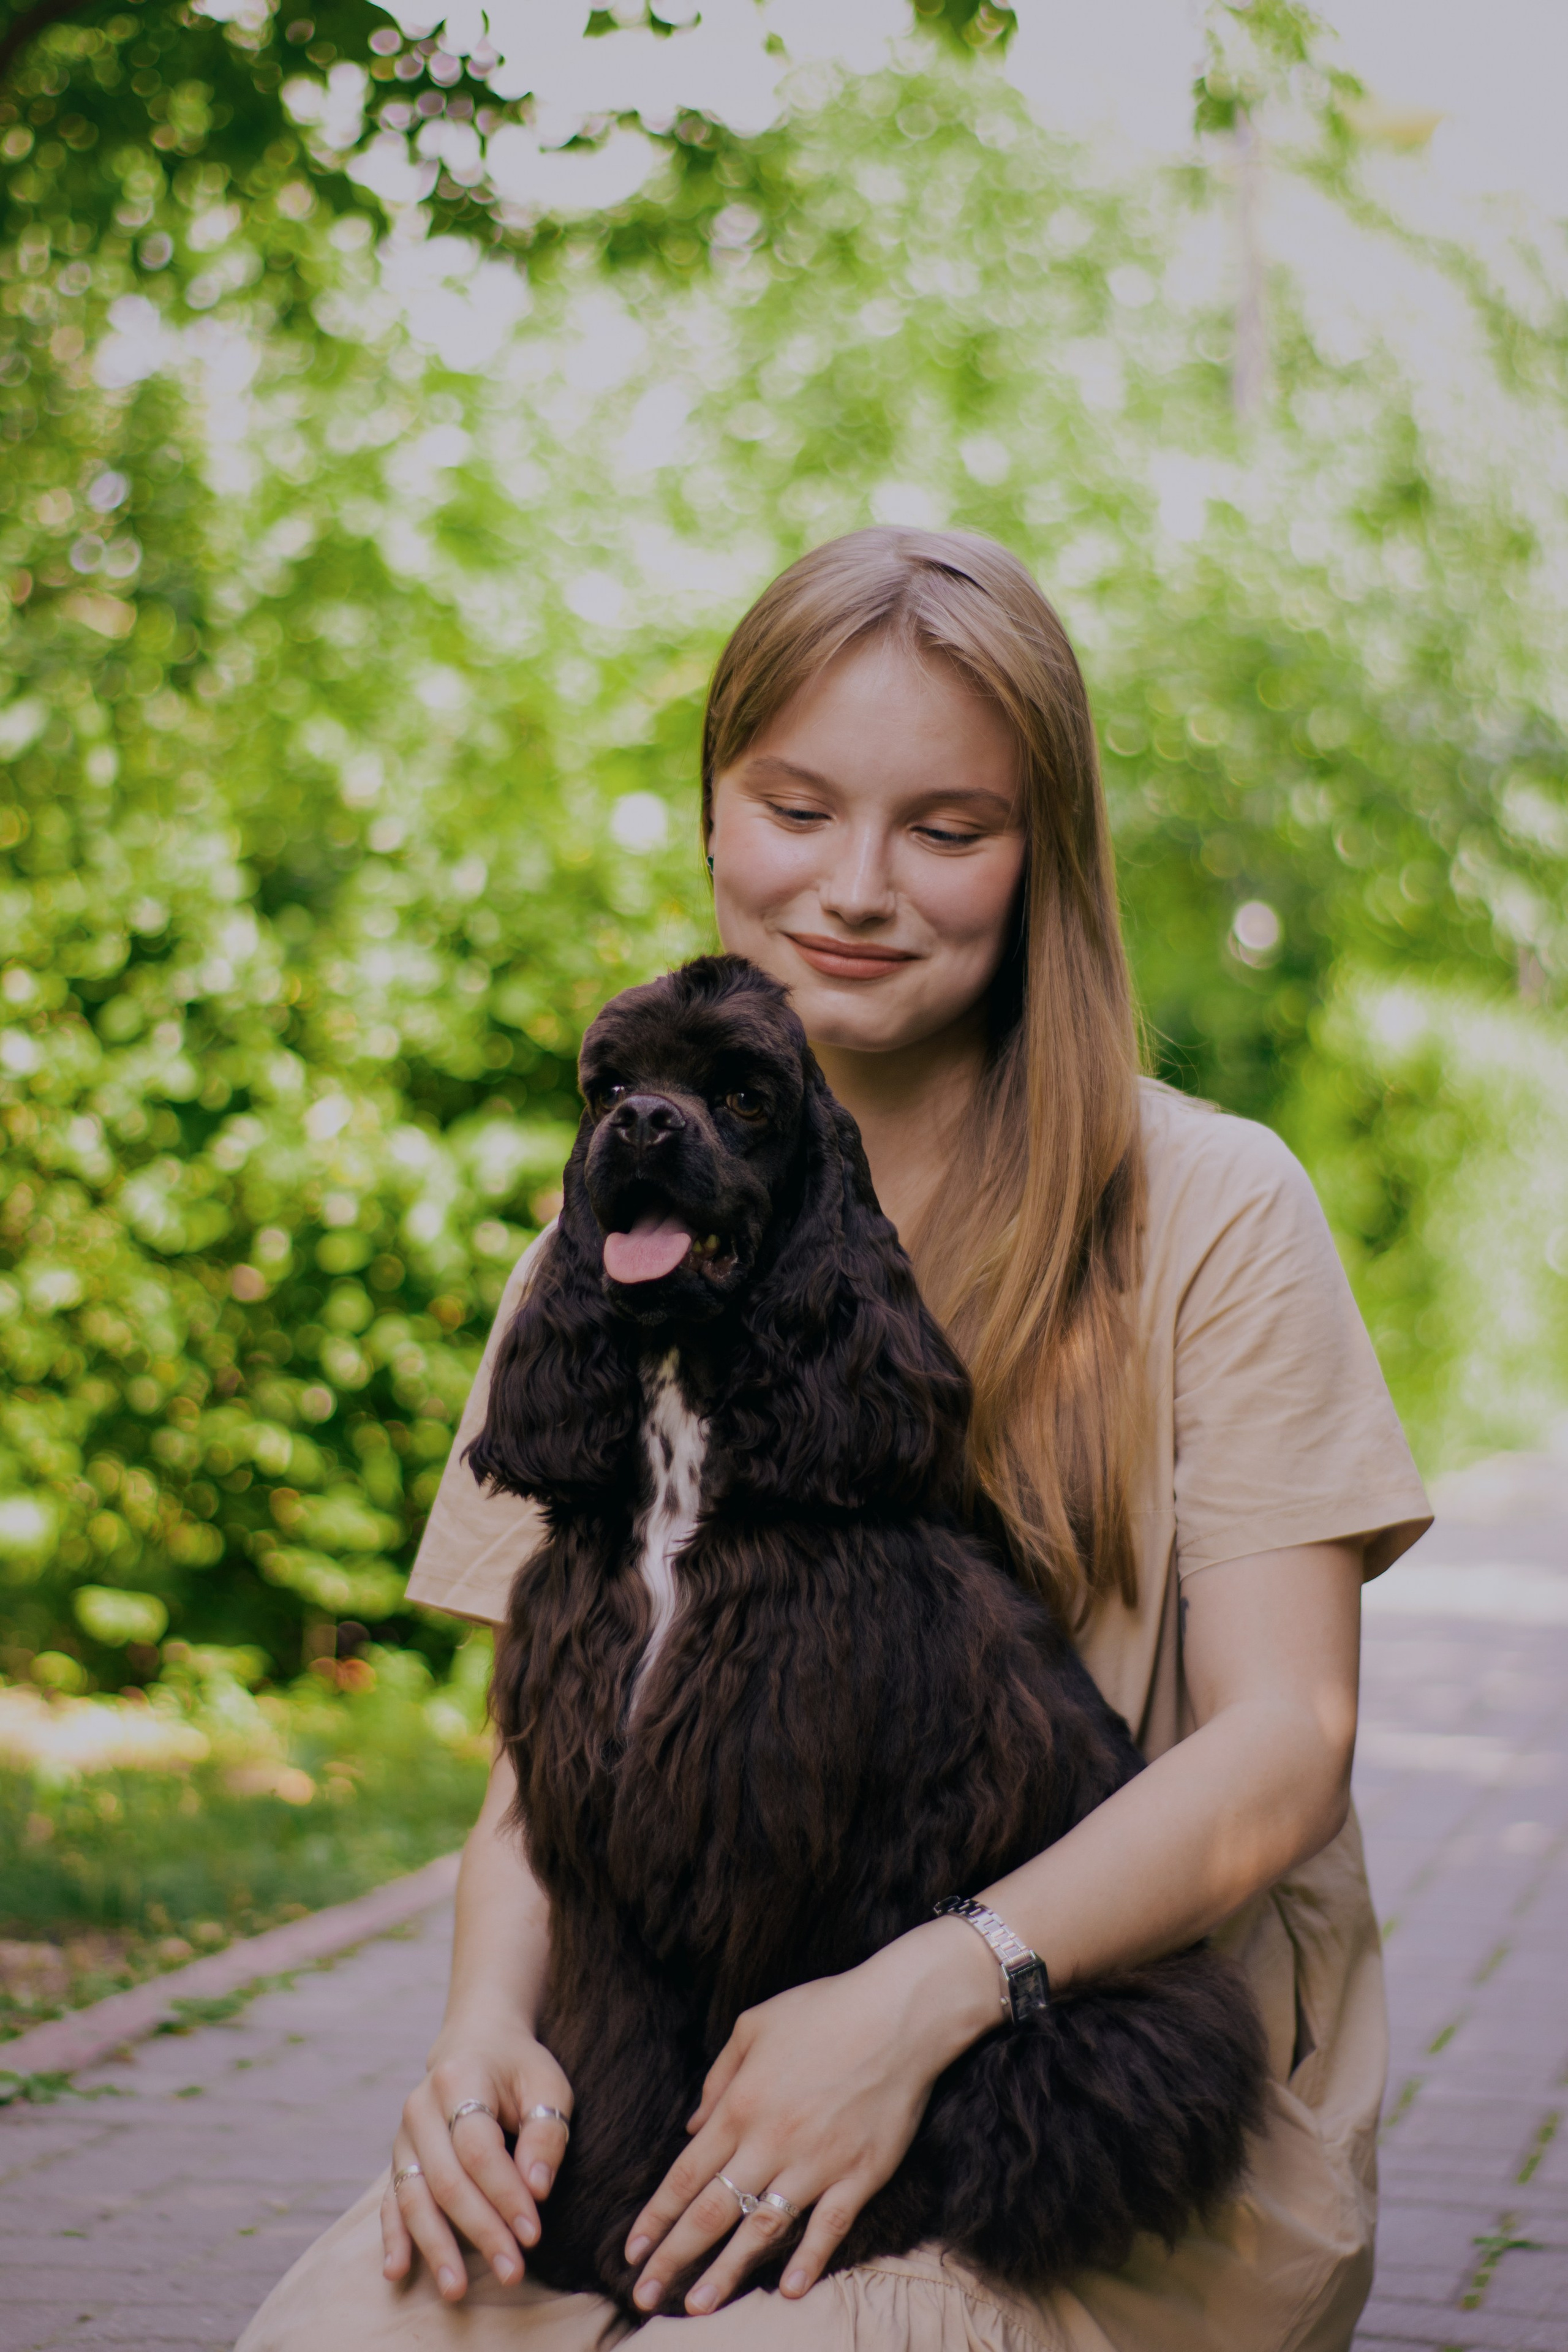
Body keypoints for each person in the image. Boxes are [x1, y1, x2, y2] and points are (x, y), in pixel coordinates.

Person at [238, 529, 1430, 2352]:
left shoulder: (1207, 1207)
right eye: (796, 807)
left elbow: (1287, 1745)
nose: (857, 887)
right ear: (715, 814)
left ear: (1045, 857)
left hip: (1071, 2099)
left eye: (948, 830)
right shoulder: (609, 1241)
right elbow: (537, 1783)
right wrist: (483, 2030)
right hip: (675, 2088)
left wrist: (921, 1996)